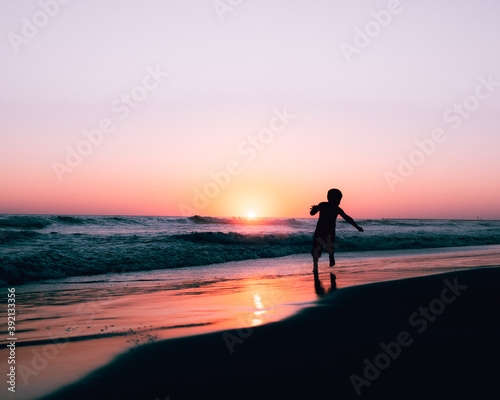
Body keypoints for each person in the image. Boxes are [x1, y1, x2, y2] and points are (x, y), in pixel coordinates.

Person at [310, 188, 363, 272]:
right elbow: (312, 213)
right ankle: (316, 267)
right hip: (324, 231)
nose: (339, 202)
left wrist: (357, 227)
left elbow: (347, 218)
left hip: (323, 231)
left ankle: (329, 257)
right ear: (330, 198)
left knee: (321, 248)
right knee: (318, 248)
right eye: (338, 200)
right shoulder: (324, 205)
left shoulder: (329, 207)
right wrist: (314, 209)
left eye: (339, 200)